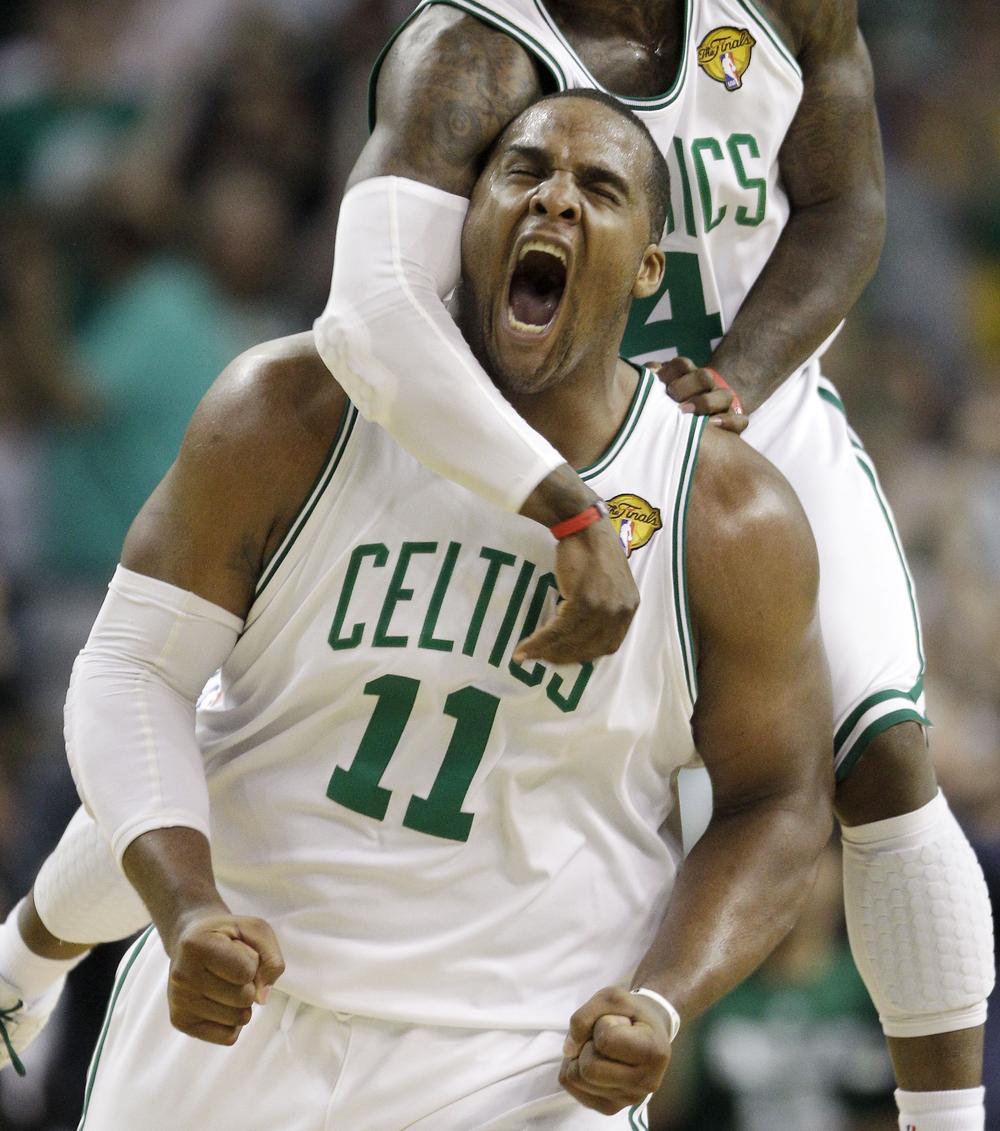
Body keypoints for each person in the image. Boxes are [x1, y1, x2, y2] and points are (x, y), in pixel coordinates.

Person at [312, 0, 994, 1131]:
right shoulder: (464, 52)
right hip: (543, 455)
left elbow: (847, 204)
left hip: (758, 420)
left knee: (885, 761)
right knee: (436, 804)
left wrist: (739, 372)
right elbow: (373, 313)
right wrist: (555, 489)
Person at [0, 93, 832, 1129]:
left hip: (520, 1060)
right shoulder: (292, 409)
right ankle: (27, 949)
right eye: (523, 173)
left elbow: (780, 800)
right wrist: (186, 907)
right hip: (238, 1005)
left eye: (599, 188)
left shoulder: (725, 512)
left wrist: (665, 996)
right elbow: (132, 671)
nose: (557, 202)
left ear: (649, 270)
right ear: (464, 219)